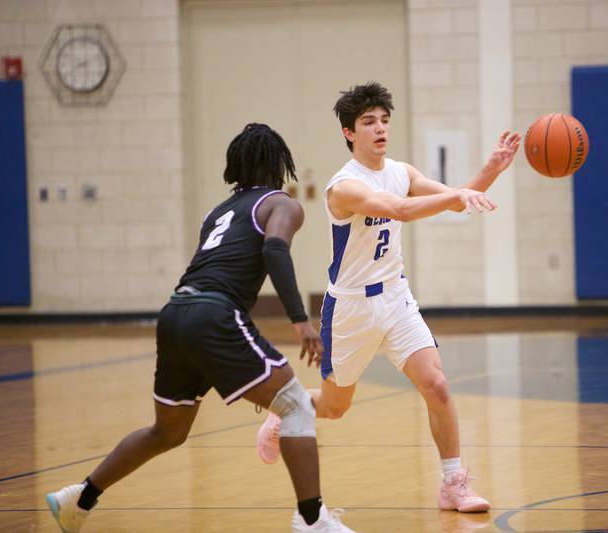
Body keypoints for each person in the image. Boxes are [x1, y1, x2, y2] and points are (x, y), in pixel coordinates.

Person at [46, 123, 356, 533]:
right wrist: (301, 321)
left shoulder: (218, 212)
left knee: (167, 431)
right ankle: (313, 520)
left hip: (175, 312)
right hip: (214, 314)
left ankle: (78, 499)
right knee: (296, 404)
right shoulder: (282, 204)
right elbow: (275, 248)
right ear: (278, 163)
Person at [256, 82, 521, 513]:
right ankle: (285, 409)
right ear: (348, 133)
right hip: (351, 309)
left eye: (383, 120)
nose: (379, 128)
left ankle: (453, 483)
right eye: (368, 122)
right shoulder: (344, 187)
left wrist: (491, 170)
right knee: (336, 408)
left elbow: (456, 200)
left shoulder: (402, 170)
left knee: (436, 384)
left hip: (396, 297)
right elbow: (398, 209)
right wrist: (456, 195)